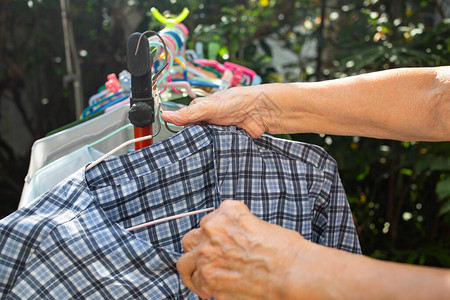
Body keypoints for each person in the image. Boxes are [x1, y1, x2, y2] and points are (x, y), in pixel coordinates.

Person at [161, 66, 450, 299]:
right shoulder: (311, 170)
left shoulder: (309, 174)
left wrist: (289, 269)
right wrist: (261, 107)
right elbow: (440, 96)